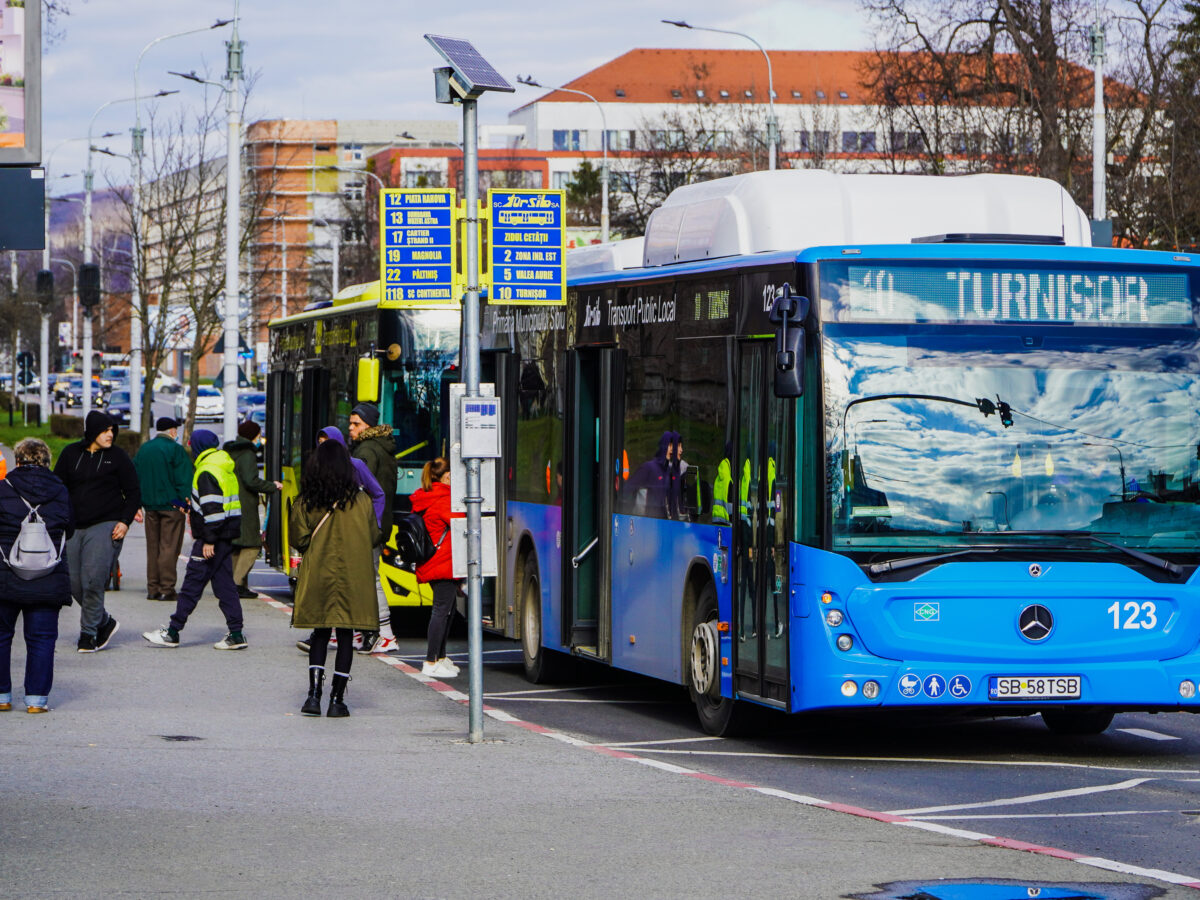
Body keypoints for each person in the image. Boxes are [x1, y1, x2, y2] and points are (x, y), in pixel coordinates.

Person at [289, 437, 379, 717]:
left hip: (319, 574)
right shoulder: (362, 501)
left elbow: (299, 538)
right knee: (345, 635)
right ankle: (337, 700)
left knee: (319, 633)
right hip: (352, 577)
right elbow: (374, 536)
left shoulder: (307, 501)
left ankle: (313, 697)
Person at [142, 429, 246, 650]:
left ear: (197, 446)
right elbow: (220, 505)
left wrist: (208, 540)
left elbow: (214, 512)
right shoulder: (223, 467)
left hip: (211, 539)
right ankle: (236, 633)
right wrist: (192, 507)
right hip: (225, 536)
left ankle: (173, 632)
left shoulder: (206, 471)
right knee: (225, 586)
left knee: (191, 584)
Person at [54, 410, 140, 653]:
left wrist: (124, 521)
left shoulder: (118, 457)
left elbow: (133, 492)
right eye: (105, 430)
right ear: (92, 432)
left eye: (112, 430)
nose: (110, 434)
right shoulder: (71, 454)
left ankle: (88, 634)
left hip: (106, 524)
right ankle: (104, 621)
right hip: (73, 525)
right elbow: (57, 486)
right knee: (71, 583)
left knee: (93, 580)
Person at [294, 426, 385, 655]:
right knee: (343, 621)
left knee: (325, 622)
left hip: (332, 554)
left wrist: (373, 522)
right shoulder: (358, 498)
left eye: (326, 441)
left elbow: (299, 537)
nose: (321, 446)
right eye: (319, 441)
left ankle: (316, 689)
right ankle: (337, 689)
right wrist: (368, 528)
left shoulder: (312, 493)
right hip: (348, 549)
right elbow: (374, 533)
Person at [0, 438, 72, 713]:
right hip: (47, 573)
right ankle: (36, 701)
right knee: (41, 638)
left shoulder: (2, 488)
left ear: (18, 460)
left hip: (5, 573)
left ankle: (2, 697)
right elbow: (71, 527)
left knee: (1, 635)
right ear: (46, 461)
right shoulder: (61, 491)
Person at [348, 402, 399, 654]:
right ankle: (359, 632)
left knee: (369, 579)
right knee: (366, 577)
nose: (351, 428)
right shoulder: (383, 447)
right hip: (377, 523)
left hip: (365, 524)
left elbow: (357, 488)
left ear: (368, 426)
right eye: (350, 423)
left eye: (356, 424)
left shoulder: (366, 451)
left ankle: (385, 633)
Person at [133, 417, 193, 602]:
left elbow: (135, 476)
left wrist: (138, 504)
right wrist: (185, 505)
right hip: (172, 506)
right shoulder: (175, 449)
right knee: (169, 547)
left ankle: (153, 588)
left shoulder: (144, 449)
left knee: (153, 547)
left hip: (150, 506)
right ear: (172, 431)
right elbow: (183, 479)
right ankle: (167, 588)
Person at [411, 457, 460, 678]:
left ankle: (440, 657)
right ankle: (431, 661)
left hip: (434, 561)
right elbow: (462, 520)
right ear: (447, 476)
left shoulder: (426, 496)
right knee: (442, 610)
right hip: (443, 563)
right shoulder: (443, 499)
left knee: (447, 609)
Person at [223, 420, 282, 600]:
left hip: (231, 503)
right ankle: (237, 583)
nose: (260, 439)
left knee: (236, 545)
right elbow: (251, 480)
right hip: (245, 505)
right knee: (252, 545)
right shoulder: (247, 453)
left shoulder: (231, 451)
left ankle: (232, 584)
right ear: (252, 436)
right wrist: (272, 486)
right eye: (258, 435)